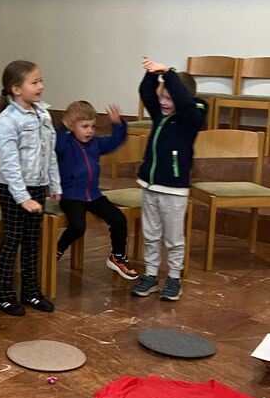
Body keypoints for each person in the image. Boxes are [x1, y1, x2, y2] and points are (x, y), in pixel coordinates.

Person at [131, 58, 208, 301]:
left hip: (174, 190)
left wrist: (170, 74)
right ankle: (151, 275)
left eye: (169, 98)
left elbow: (186, 104)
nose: (163, 102)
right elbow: (146, 92)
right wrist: (153, 74)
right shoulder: (159, 113)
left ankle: (174, 277)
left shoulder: (194, 114)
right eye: (162, 96)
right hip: (150, 185)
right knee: (151, 234)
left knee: (174, 238)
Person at [0, 61, 61, 315]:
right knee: (13, 239)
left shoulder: (43, 114)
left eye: (41, 80)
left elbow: (50, 153)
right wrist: (22, 198)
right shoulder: (7, 120)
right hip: (12, 189)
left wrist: (54, 183)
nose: (41, 86)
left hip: (37, 186)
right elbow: (9, 164)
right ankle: (4, 294)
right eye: (34, 82)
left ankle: (31, 291)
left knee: (32, 241)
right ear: (16, 89)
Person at [55, 100, 139, 280]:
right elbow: (56, 142)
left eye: (93, 126)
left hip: (93, 196)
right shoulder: (65, 143)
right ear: (72, 125)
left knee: (118, 219)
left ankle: (117, 256)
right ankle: (58, 249)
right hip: (71, 197)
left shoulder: (95, 143)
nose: (90, 131)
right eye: (84, 126)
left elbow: (115, 141)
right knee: (78, 226)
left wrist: (118, 125)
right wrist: (64, 125)